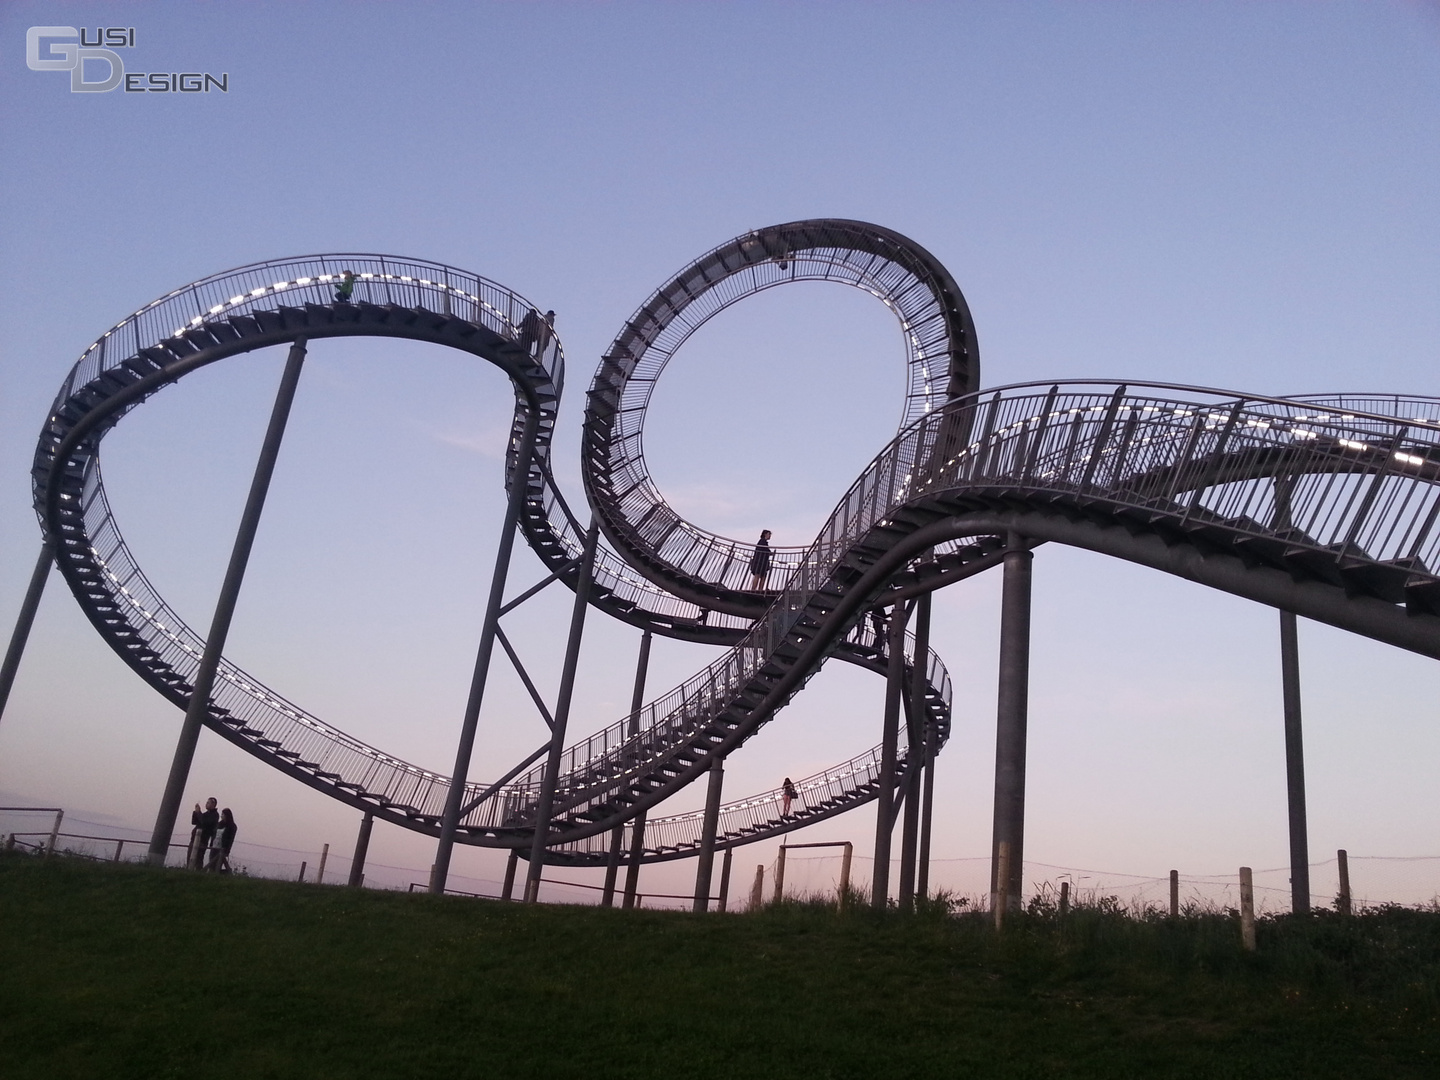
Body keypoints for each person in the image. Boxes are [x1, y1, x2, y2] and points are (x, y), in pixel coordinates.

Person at [190, 798, 218, 870]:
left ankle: (198, 873)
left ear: (213, 805)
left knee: (198, 859)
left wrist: (199, 813)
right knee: (190, 857)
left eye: (208, 803)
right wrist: (195, 812)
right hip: (194, 838)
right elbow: (194, 822)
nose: (206, 804)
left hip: (202, 840)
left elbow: (204, 822)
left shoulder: (214, 815)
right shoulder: (205, 814)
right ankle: (189, 871)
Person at [208, 808, 237, 873]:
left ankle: (222, 874)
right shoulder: (219, 824)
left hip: (222, 848)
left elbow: (230, 839)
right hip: (214, 847)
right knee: (211, 864)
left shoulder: (232, 826)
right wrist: (211, 844)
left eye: (223, 814)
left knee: (218, 865)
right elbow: (214, 834)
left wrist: (227, 850)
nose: (221, 816)